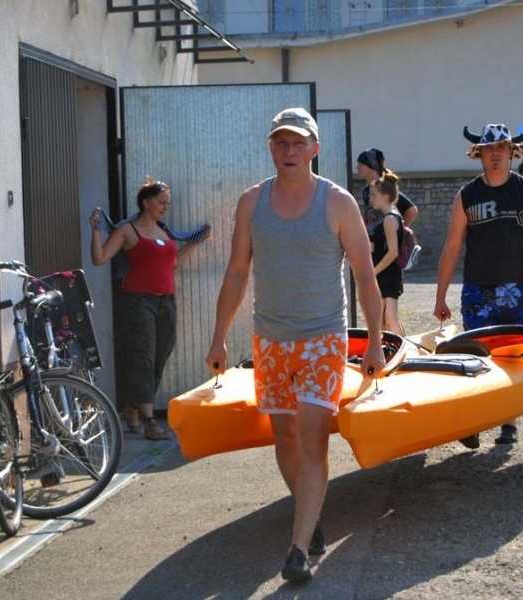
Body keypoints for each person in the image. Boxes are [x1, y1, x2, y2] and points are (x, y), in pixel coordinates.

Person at [204, 107, 385, 584]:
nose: (289, 151)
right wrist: (219, 336)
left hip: (323, 338)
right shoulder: (251, 202)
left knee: (311, 436)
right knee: (284, 437)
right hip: (270, 340)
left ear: (315, 149)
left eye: (298, 143)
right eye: (281, 142)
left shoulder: (338, 202)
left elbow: (365, 276)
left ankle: (299, 547)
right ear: (271, 147)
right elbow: (238, 272)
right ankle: (312, 510)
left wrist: (374, 343)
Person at [434, 123, 523, 446]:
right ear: (478, 154)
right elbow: (452, 247)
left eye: (501, 149)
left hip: (516, 288)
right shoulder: (467, 195)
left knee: (511, 358)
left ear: (512, 152)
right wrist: (440, 297)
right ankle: (474, 422)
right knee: (476, 356)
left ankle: (509, 422)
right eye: (488, 150)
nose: (495, 155)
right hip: (477, 290)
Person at [89, 177, 210, 440]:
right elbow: (99, 259)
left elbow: (174, 262)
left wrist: (195, 241)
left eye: (168, 202)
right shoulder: (127, 230)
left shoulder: (165, 232)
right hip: (138, 301)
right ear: (146, 203)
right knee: (142, 358)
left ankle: (131, 410)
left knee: (159, 357)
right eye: (161, 202)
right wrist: (96, 230)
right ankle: (149, 422)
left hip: (166, 301)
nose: (166, 206)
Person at [369, 172, 406, 335]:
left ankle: (406, 351)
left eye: (374, 195)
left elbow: (392, 252)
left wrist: (373, 272)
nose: (371, 199)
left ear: (385, 196)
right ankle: (389, 350)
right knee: (384, 319)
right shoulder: (391, 214)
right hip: (386, 273)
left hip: (387, 274)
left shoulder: (389, 218)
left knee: (390, 318)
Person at [355, 148, 419, 227]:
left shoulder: (384, 188)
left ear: (372, 166)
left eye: (361, 164)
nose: (357, 167)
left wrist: (400, 231)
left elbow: (412, 210)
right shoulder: (366, 190)